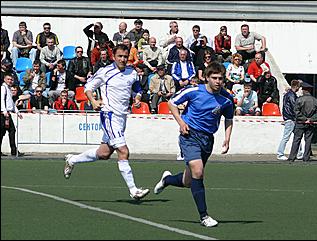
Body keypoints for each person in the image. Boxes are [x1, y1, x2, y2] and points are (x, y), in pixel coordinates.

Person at [63, 44, 150, 200]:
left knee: (104, 154)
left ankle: (72, 159)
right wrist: (94, 101)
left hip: (122, 117)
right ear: (114, 57)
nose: (123, 59)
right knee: (123, 151)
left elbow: (137, 89)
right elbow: (88, 87)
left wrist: (137, 98)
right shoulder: (105, 72)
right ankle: (133, 190)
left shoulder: (132, 72)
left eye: (125, 56)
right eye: (120, 56)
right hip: (109, 115)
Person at [154, 61, 234, 227]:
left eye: (220, 78)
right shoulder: (194, 90)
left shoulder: (226, 99)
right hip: (189, 135)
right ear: (206, 78)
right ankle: (204, 216)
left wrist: (227, 139)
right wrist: (181, 123)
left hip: (207, 140)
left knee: (189, 180)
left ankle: (167, 180)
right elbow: (172, 103)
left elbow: (229, 119)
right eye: (214, 78)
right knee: (198, 171)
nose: (218, 81)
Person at [288, 82, 317, 162]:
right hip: (311, 124)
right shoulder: (315, 100)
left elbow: (296, 111)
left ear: (303, 90)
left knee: (296, 140)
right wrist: (311, 119)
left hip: (300, 122)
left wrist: (304, 119)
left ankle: (292, 157)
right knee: (308, 140)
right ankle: (306, 157)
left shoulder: (299, 99)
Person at [277, 79, 304, 161]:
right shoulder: (292, 95)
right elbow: (295, 106)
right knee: (286, 137)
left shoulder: (288, 94)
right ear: (296, 86)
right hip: (291, 118)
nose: (299, 88)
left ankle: (299, 153)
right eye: (299, 86)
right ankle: (280, 154)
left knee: (297, 137)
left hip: (290, 118)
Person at [1, 73, 24, 157]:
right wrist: (4, 111)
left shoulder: (8, 89)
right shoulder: (3, 88)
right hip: (3, 114)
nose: (10, 81)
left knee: (9, 132)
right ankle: (14, 151)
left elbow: (11, 103)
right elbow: (1, 100)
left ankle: (14, 151)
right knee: (10, 131)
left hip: (7, 113)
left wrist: (17, 112)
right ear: (4, 79)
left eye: (11, 79)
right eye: (8, 79)